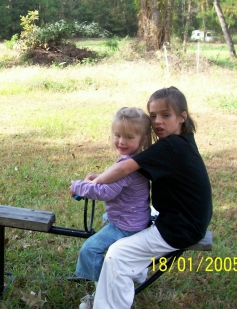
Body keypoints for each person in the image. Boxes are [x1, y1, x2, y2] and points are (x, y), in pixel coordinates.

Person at [86, 87, 212, 309]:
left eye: (166, 115)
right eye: (153, 116)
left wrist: (93, 184)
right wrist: (102, 177)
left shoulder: (171, 146)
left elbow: (125, 168)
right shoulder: (182, 140)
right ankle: (138, 271)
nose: (158, 122)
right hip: (185, 217)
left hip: (179, 227)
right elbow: (133, 172)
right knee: (134, 213)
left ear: (183, 117)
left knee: (118, 255)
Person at [69, 107, 152, 309]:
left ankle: (103, 292)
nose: (121, 141)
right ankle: (137, 270)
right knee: (107, 217)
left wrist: (78, 186)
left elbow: (106, 192)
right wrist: (96, 178)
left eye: (129, 137)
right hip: (136, 219)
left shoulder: (128, 166)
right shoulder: (136, 160)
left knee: (91, 249)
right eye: (117, 135)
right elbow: (113, 182)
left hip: (126, 226)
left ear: (142, 139)